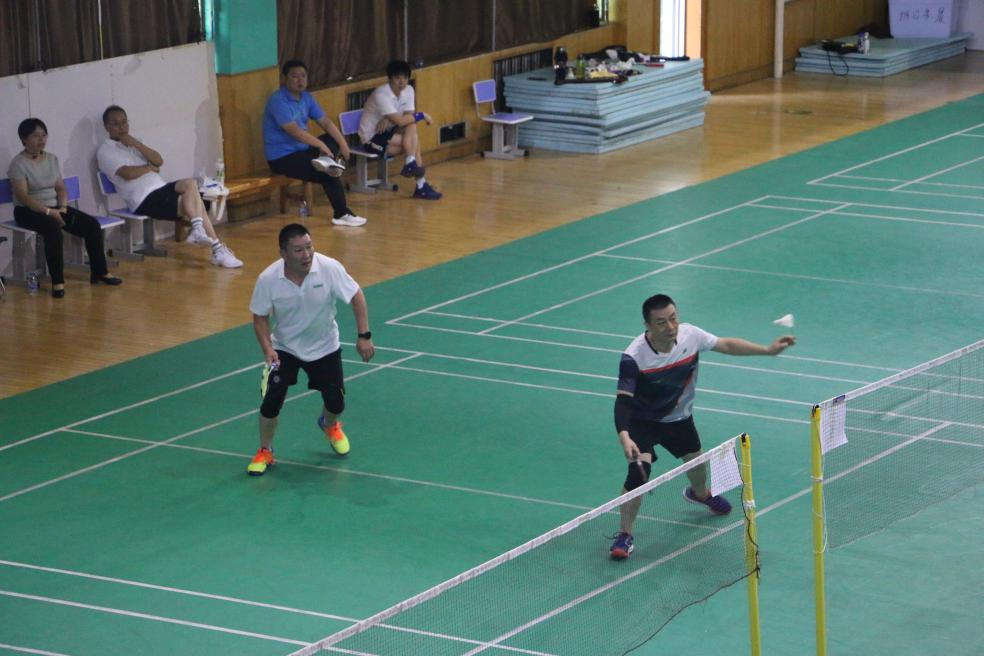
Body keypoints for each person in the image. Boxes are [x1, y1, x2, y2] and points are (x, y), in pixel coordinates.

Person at [609, 294, 796, 560]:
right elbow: (623, 401)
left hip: (679, 419)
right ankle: (624, 534)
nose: (670, 326)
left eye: (673, 318)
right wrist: (624, 436)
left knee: (698, 467)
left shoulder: (691, 335)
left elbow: (726, 344)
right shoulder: (634, 357)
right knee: (638, 476)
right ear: (647, 325)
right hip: (642, 423)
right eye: (661, 322)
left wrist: (768, 350)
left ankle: (700, 494)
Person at [247, 223, 375, 475]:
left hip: (325, 346)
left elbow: (356, 296)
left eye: (309, 247)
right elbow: (259, 317)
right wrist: (267, 349)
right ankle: (265, 450)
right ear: (283, 253)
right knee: (271, 401)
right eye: (298, 250)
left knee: (336, 402)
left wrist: (364, 335)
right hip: (285, 348)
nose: (306, 255)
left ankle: (329, 424)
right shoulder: (268, 279)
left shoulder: (329, 268)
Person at [96, 105, 242, 268]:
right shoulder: (105, 151)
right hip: (142, 198)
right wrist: (149, 168)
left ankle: (200, 232)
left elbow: (158, 161)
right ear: (107, 127)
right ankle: (216, 248)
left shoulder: (134, 143)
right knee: (196, 203)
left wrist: (136, 143)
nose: (122, 127)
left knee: (191, 183)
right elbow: (128, 174)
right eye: (116, 124)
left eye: (124, 122)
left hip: (160, 188)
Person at [8, 118, 122, 298]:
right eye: (36, 136)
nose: (41, 139)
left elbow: (60, 188)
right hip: (27, 210)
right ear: (24, 138)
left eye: (44, 135)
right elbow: (24, 197)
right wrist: (49, 212)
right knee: (53, 229)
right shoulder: (18, 164)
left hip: (55, 206)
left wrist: (62, 207)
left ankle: (100, 272)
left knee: (91, 225)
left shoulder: (51, 159)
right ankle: (58, 282)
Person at [263, 60, 367, 227]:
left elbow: (326, 122)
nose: (300, 80)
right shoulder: (278, 101)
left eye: (303, 76)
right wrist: (320, 146)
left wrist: (343, 144)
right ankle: (341, 214)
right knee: (328, 172)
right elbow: (294, 132)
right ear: (285, 79)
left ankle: (327, 161)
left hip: (303, 150)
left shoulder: (307, 97)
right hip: (282, 157)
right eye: (294, 76)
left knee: (332, 139)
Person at [358, 59, 442, 200]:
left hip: (389, 131)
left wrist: (390, 118)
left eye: (405, 78)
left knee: (412, 126)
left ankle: (410, 163)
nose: (402, 81)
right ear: (390, 78)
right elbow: (402, 120)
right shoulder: (381, 94)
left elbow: (408, 117)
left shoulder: (409, 90)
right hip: (372, 137)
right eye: (397, 78)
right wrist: (422, 115)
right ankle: (420, 184)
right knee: (414, 144)